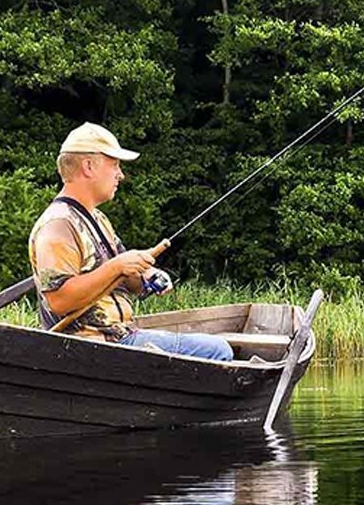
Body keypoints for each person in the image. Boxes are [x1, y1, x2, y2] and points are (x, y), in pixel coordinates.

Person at [29, 122, 233, 360]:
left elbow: (125, 278)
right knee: (218, 351)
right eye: (114, 164)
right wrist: (117, 266)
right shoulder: (58, 225)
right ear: (88, 166)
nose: (121, 174)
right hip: (91, 348)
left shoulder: (97, 218)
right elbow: (60, 300)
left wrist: (147, 276)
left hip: (119, 337)